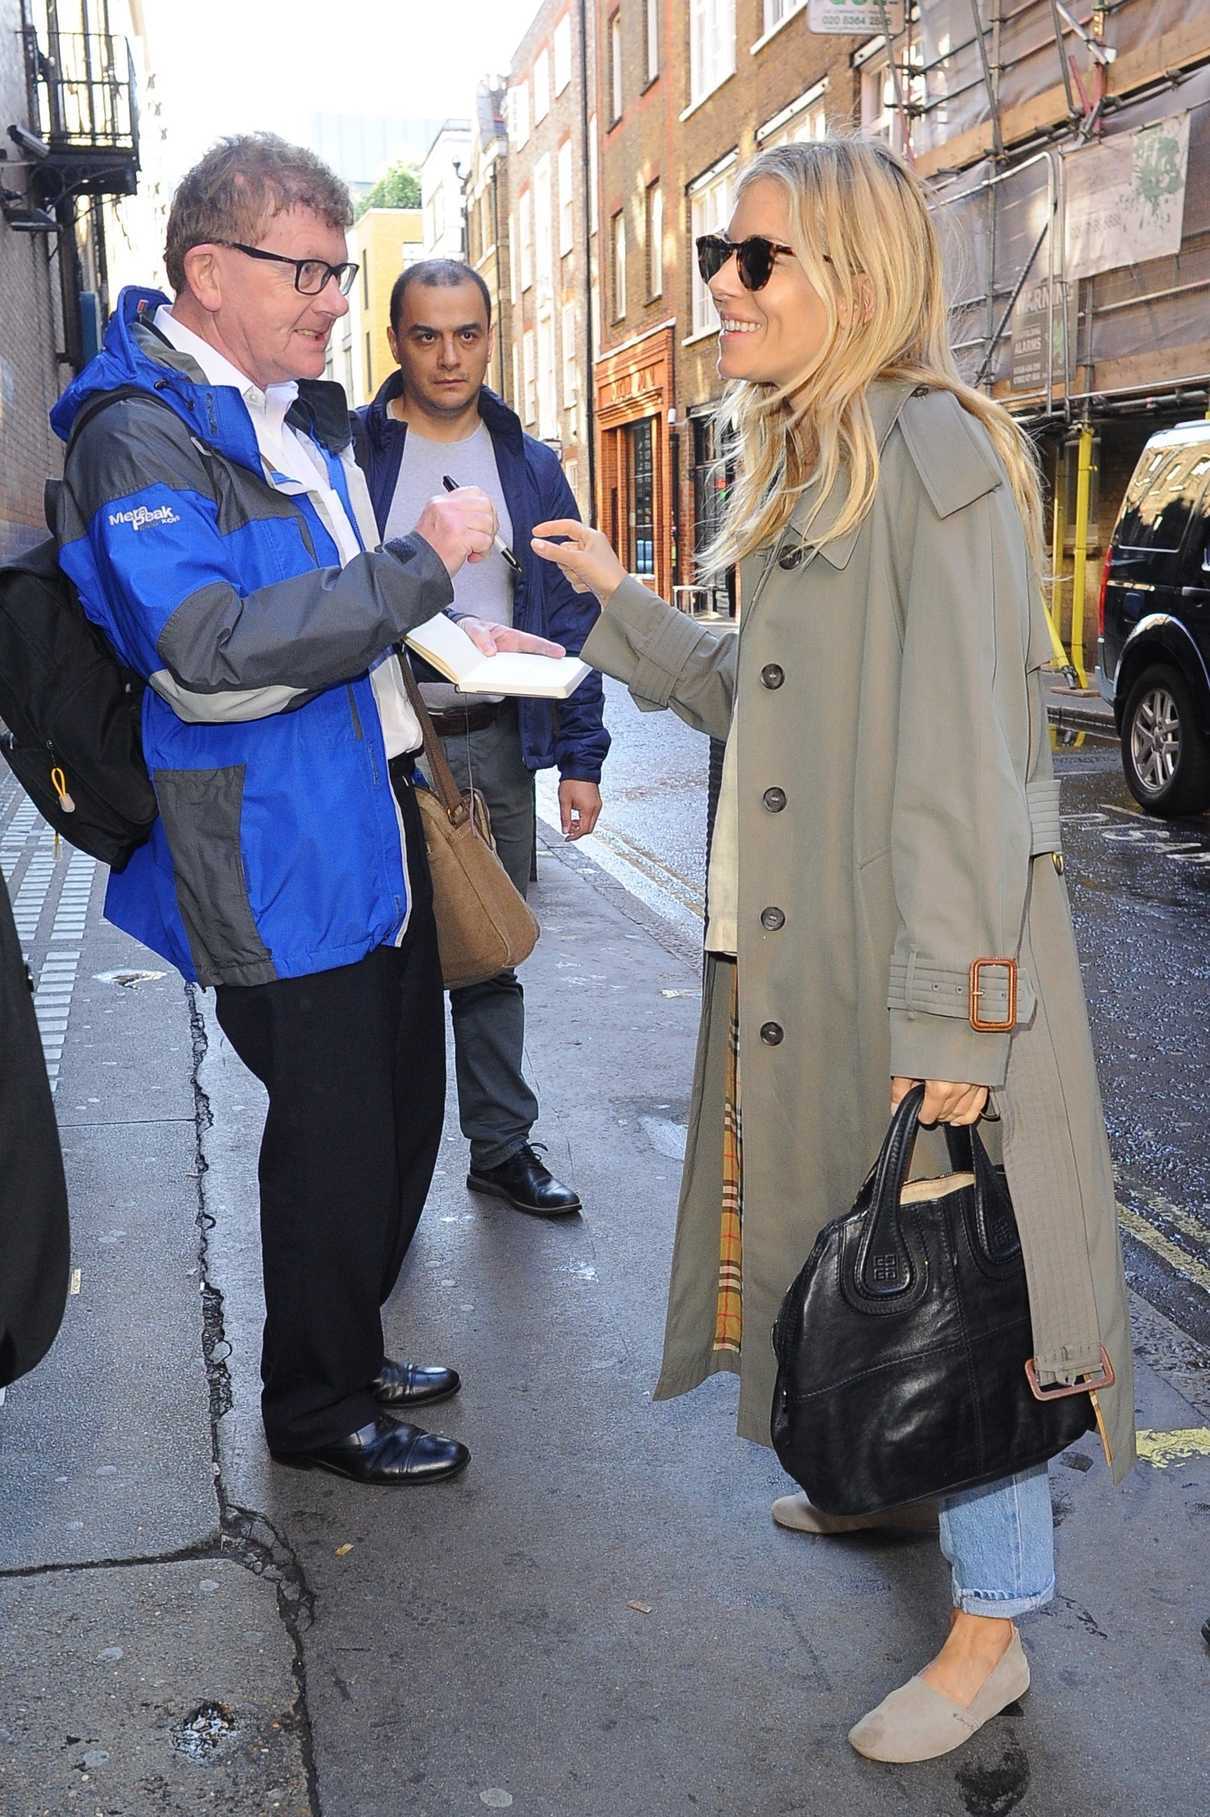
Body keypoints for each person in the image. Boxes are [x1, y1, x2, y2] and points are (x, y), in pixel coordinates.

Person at [532, 136, 1135, 1761]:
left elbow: (972, 764)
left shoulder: (932, 453)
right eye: (722, 253)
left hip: (911, 961)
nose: (723, 285)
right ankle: (888, 1480)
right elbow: (757, 693)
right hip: (810, 963)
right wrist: (607, 600)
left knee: (963, 1277)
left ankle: (993, 1631)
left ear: (855, 283)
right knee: (869, 1260)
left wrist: (955, 1014)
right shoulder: (817, 457)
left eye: (759, 259)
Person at [49, 134, 561, 1487]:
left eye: (341, 270)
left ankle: (348, 1335)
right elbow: (206, 652)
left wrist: (454, 648)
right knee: (332, 1141)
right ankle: (316, 1408)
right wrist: (419, 572)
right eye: (311, 272)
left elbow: (329, 628)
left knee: (399, 1113)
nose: (338, 299)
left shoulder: (283, 413)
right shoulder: (141, 433)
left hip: (368, 817)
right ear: (209, 272)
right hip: (275, 846)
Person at [355, 258, 609, 1218]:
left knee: (492, 952)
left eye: (467, 333)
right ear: (398, 343)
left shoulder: (531, 464)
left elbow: (573, 614)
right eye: (427, 334)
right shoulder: (357, 454)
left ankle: (500, 1146)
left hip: (495, 739)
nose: (449, 354)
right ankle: (388, 1159)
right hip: (384, 743)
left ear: (490, 339)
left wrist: (582, 758)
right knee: (387, 956)